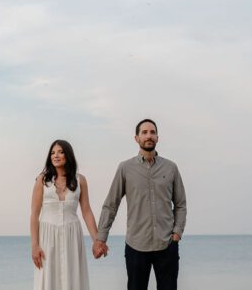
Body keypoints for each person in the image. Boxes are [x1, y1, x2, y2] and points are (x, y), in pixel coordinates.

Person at [94, 119, 187, 290]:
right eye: (144, 132)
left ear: (157, 137)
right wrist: (101, 238)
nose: (148, 136)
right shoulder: (125, 168)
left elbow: (181, 204)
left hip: (166, 245)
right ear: (136, 138)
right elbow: (111, 205)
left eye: (152, 132)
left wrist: (177, 233)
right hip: (136, 246)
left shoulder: (171, 168)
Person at [30, 139, 102, 290]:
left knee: (73, 278)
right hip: (47, 237)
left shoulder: (80, 180)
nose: (56, 156)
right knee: (48, 278)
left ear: (68, 155)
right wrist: (35, 245)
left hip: (72, 235)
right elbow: (34, 214)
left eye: (61, 152)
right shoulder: (42, 180)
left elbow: (86, 211)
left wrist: (97, 240)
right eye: (53, 153)